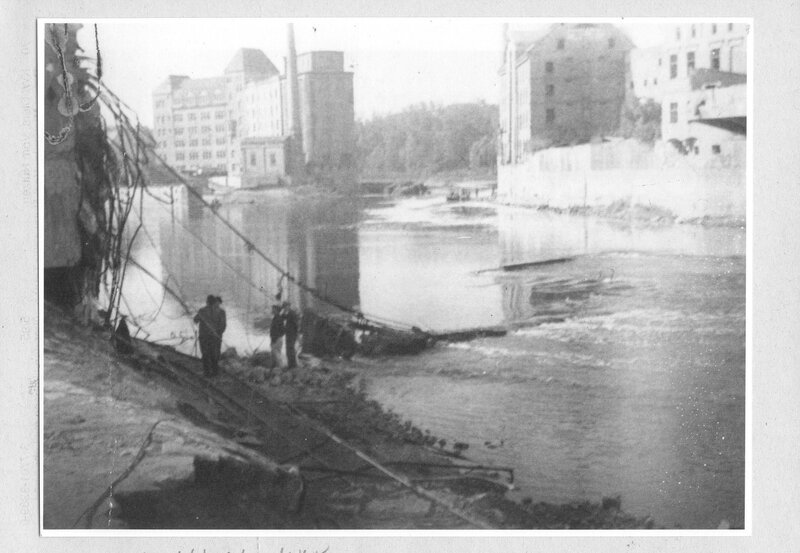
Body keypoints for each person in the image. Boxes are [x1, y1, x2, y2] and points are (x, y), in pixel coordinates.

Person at [194, 295, 227, 377]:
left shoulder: (202, 311)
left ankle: (207, 373)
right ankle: (215, 372)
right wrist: (218, 334)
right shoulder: (221, 312)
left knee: (205, 354)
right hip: (216, 337)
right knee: (214, 354)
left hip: (204, 337)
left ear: (207, 302)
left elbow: (195, 320)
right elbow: (223, 325)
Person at [282, 302, 299, 369]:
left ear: (289, 306)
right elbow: (282, 317)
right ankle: (291, 364)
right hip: (289, 334)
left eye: (286, 306)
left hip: (292, 334)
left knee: (290, 349)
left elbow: (296, 324)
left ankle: (293, 365)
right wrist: (283, 311)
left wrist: (297, 334)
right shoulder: (289, 313)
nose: (285, 308)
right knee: (289, 349)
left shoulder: (292, 313)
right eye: (284, 307)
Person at [269, 304, 285, 369]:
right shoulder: (277, 318)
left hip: (276, 339)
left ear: (276, 310)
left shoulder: (277, 318)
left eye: (273, 309)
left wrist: (274, 339)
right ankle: (275, 368)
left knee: (276, 354)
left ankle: (281, 368)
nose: (272, 310)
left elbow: (277, 329)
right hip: (278, 338)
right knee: (275, 354)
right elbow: (282, 330)